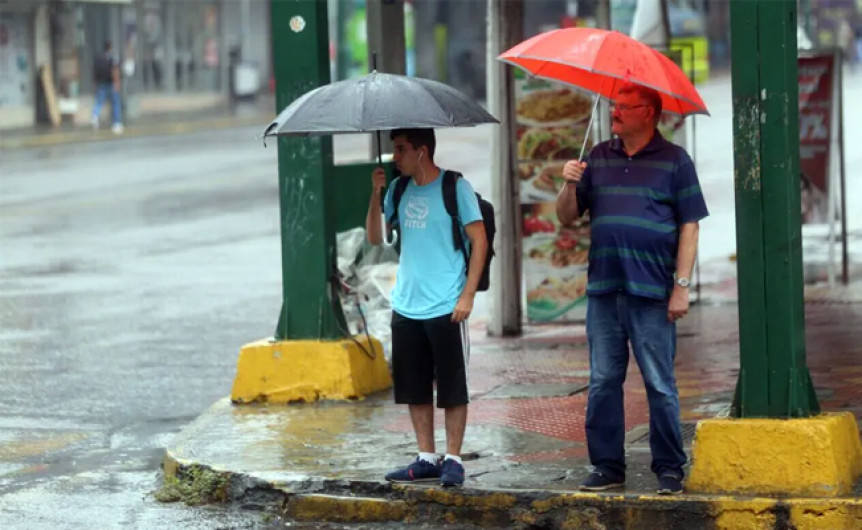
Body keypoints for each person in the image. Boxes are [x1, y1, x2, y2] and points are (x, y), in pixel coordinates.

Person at [556, 84, 708, 495]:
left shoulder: (675, 160)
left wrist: (681, 287)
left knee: (659, 383)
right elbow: (567, 217)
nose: (615, 113)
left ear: (650, 114)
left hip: (652, 291)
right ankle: (607, 466)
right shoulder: (597, 156)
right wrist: (568, 184)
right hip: (604, 290)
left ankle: (669, 467)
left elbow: (690, 226)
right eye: (614, 106)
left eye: (625, 107)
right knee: (603, 380)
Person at [365, 128, 488, 488]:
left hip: (447, 303)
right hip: (406, 303)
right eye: (394, 150)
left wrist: (468, 295)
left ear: (422, 151)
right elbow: (376, 238)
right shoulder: (397, 189)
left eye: (401, 149)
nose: (395, 156)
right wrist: (375, 195)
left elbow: (480, 241)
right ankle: (426, 457)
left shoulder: (455, 187)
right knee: (414, 387)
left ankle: (453, 459)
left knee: (452, 386)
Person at [91, 41, 124, 134]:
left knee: (99, 101)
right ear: (110, 47)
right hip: (111, 83)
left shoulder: (99, 58)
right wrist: (117, 82)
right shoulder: (113, 57)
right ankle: (116, 123)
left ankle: (95, 115)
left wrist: (95, 83)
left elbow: (94, 72)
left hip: (101, 83)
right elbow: (115, 70)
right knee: (115, 103)